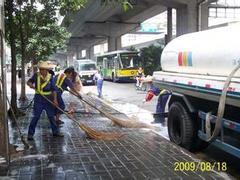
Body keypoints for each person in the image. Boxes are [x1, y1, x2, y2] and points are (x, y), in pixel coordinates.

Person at [27, 61, 63, 140]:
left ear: (47, 70)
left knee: (51, 116)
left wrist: (55, 100)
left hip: (48, 98)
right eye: (41, 69)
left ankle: (55, 132)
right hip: (38, 98)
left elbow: (54, 90)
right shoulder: (36, 76)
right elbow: (29, 81)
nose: (42, 71)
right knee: (36, 116)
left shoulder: (51, 77)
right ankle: (30, 134)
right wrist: (30, 84)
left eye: (43, 69)